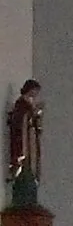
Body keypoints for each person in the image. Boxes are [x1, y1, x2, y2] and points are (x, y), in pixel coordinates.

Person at [6, 80, 43, 210]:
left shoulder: (29, 104)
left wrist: (37, 116)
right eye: (34, 91)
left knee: (32, 167)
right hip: (23, 141)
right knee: (23, 166)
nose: (35, 94)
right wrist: (33, 114)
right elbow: (20, 122)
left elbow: (35, 124)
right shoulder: (21, 105)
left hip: (30, 141)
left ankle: (30, 196)